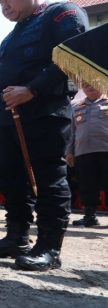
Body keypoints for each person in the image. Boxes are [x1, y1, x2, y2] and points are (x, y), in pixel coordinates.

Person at [0, 0, 87, 271]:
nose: (3, 5)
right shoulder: (11, 36)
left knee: (49, 179)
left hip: (44, 112)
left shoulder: (62, 14)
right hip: (8, 118)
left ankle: (49, 247)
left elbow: (74, 58)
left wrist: (32, 89)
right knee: (10, 178)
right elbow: (0, 79)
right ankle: (16, 238)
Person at [66, 83, 108, 227]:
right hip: (83, 151)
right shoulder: (76, 105)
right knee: (87, 185)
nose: (89, 87)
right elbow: (72, 132)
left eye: (93, 84)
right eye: (86, 85)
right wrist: (69, 152)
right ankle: (89, 216)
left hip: (106, 150)